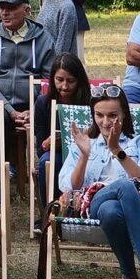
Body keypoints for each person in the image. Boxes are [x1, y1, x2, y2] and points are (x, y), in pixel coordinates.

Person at [58, 90, 140, 279]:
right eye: (99, 115)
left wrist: (117, 149)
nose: (105, 121)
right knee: (123, 186)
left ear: (124, 115)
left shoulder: (139, 143)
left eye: (112, 115)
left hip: (130, 208)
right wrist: (83, 155)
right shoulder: (84, 143)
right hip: (91, 204)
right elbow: (70, 187)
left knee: (112, 210)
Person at [0, 0, 53, 138]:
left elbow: (48, 81)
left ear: (26, 10)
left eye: (11, 8)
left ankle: (39, 157)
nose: (4, 12)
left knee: (47, 115)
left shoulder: (44, 38)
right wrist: (10, 110)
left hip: (34, 104)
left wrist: (34, 110)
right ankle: (4, 160)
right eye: (1, 8)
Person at [34, 52, 95, 182]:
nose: (65, 86)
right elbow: (40, 151)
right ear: (52, 79)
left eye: (71, 81)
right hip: (56, 154)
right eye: (60, 80)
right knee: (47, 160)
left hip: (88, 153)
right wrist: (46, 144)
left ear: (79, 80)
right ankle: (53, 202)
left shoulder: (91, 103)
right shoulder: (43, 103)